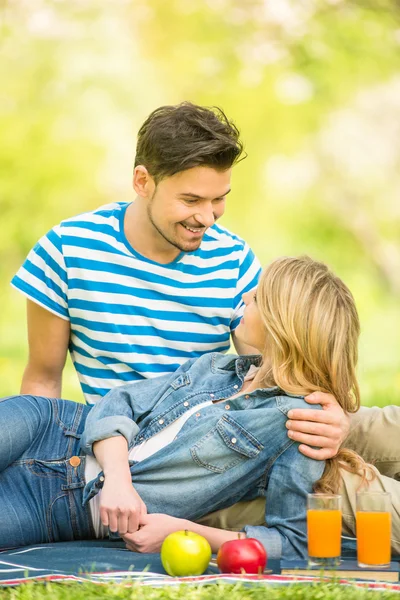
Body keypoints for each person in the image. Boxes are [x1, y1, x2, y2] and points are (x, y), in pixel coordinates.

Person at [11, 102, 348, 461]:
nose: (207, 217)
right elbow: (43, 380)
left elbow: (269, 374)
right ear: (143, 181)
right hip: (107, 445)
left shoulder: (232, 260)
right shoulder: (68, 249)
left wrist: (335, 419)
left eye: (219, 199)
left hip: (201, 454)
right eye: (191, 200)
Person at [1, 257, 399, 558]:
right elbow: (116, 402)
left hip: (60, 509)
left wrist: (183, 531)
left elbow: (291, 543)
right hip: (50, 426)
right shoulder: (216, 366)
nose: (245, 297)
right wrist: (118, 480)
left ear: (283, 325)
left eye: (257, 298)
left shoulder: (294, 428)